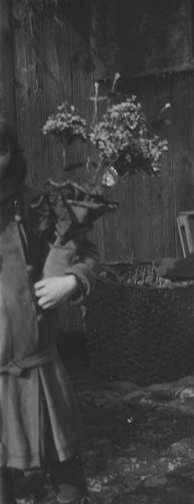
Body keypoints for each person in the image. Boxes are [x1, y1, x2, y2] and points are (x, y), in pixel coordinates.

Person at [0, 119, 98, 504]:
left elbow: (86, 253)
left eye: (0, 149)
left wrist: (71, 281)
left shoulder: (36, 204)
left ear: (11, 155)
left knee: (65, 461)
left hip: (36, 364)